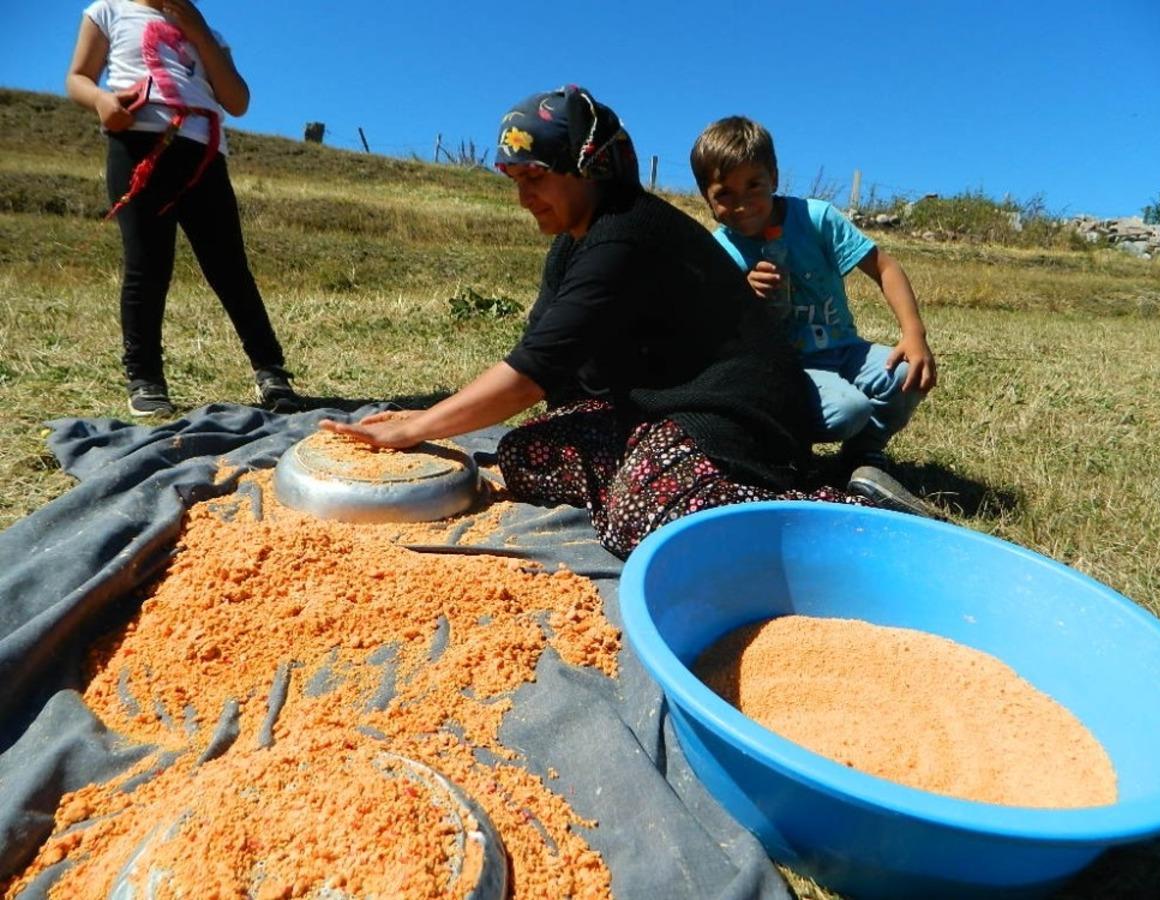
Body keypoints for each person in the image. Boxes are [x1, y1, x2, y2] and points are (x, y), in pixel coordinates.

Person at [321, 85, 873, 559]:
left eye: (536, 177)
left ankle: (836, 509)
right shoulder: (574, 244)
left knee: (639, 513)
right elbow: (540, 351)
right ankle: (666, 473)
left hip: (736, 409)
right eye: (514, 180)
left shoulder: (625, 235)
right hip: (656, 405)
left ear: (588, 168)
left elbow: (530, 375)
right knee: (523, 454)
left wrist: (416, 428)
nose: (524, 198)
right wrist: (434, 416)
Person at [690, 116, 938, 514]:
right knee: (850, 410)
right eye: (725, 194)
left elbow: (884, 267)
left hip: (844, 350)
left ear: (773, 177)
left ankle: (862, 457)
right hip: (786, 369)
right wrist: (744, 294)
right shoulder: (720, 253)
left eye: (754, 185)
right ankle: (786, 450)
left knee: (907, 372)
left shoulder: (816, 219)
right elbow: (715, 332)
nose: (743, 204)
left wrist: (914, 333)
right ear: (706, 197)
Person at [66, 0, 301, 417]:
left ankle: (271, 371)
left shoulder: (208, 33)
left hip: (204, 152)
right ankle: (145, 378)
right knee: (148, 265)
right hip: (139, 146)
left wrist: (198, 31)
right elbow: (78, 77)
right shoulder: (107, 11)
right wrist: (102, 101)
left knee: (229, 267)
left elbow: (237, 101)